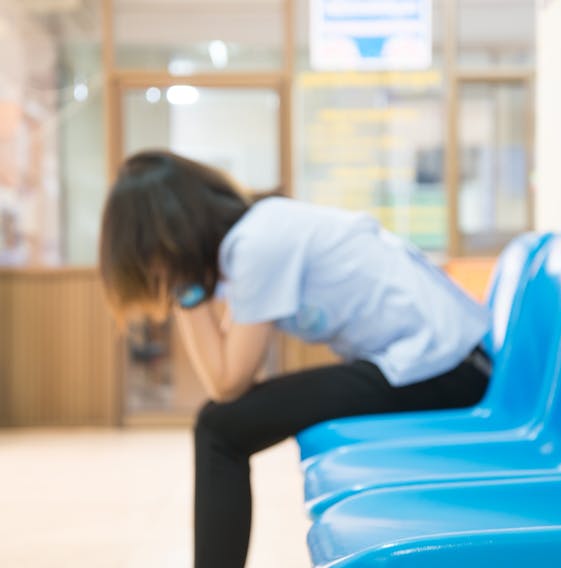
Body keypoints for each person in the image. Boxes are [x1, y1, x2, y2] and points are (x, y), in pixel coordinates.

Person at [98, 150, 492, 568]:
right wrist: (193, 286)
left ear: (167, 240)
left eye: (153, 262)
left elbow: (227, 383)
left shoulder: (257, 244)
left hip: (445, 369)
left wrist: (187, 289)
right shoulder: (259, 233)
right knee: (223, 422)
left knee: (218, 428)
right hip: (431, 364)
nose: (156, 275)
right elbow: (235, 380)